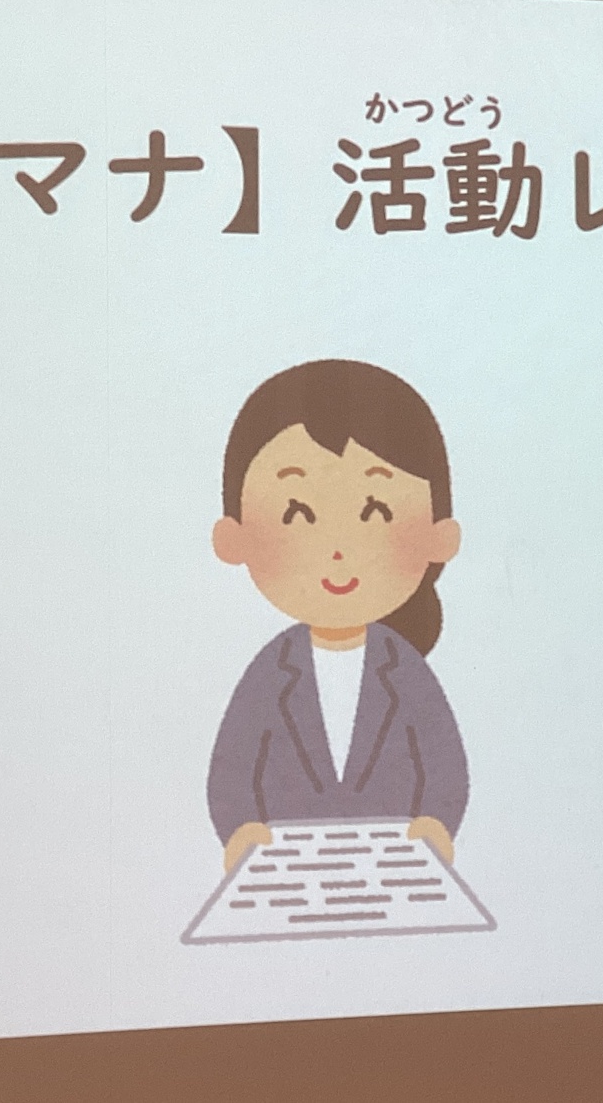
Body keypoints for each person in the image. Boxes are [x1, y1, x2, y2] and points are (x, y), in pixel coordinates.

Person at [206, 359, 469, 873]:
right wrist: (241, 831)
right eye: (296, 513)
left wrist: (435, 826)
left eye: (376, 511)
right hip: (286, 866)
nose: (338, 548)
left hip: (395, 863)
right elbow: (233, 767)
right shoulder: (272, 670)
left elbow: (444, 764)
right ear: (235, 538)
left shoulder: (405, 670)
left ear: (438, 536)